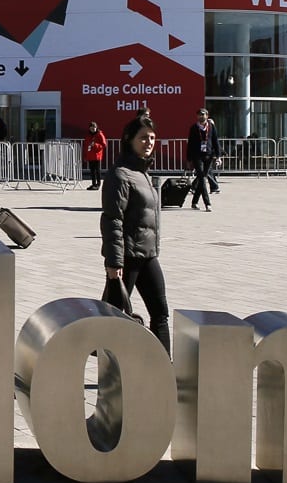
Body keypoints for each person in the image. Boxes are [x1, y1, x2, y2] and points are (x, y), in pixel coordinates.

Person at [99, 114, 171, 355]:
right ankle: (109, 366)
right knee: (115, 317)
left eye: (152, 138)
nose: (149, 142)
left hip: (148, 255)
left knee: (160, 313)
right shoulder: (120, 174)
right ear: (129, 139)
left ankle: (164, 369)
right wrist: (113, 262)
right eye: (143, 138)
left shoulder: (143, 173)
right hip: (128, 258)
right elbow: (112, 219)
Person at [186, 108, 220, 211]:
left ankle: (194, 202)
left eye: (203, 115)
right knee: (201, 178)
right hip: (197, 156)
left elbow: (215, 141)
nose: (201, 116)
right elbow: (190, 144)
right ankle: (207, 203)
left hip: (208, 156)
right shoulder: (194, 128)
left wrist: (218, 156)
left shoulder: (211, 126)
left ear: (207, 115)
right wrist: (189, 159)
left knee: (202, 178)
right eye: (199, 115)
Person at [83, 121, 107, 190]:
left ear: (96, 128)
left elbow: (104, 145)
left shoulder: (100, 134)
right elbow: (86, 146)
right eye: (91, 128)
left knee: (97, 170)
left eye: (94, 128)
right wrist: (85, 155)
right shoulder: (88, 135)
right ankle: (93, 184)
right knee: (92, 171)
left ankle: (98, 184)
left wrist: (96, 145)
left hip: (97, 156)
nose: (92, 129)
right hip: (90, 156)